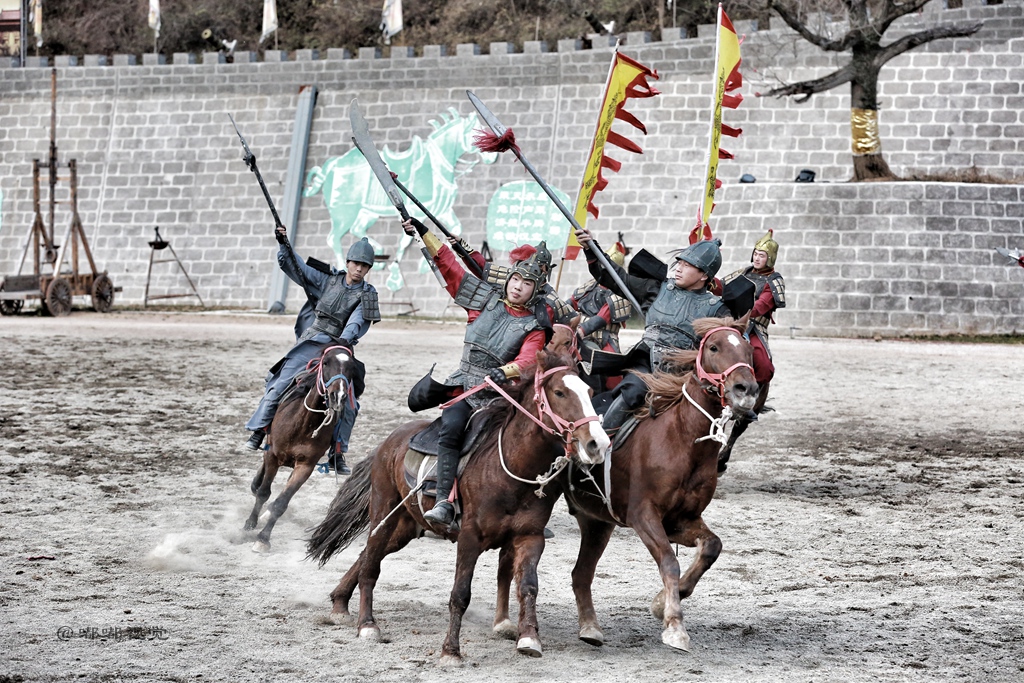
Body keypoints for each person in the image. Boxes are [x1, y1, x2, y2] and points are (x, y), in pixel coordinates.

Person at [405, 217, 550, 527]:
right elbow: (450, 267)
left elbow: (528, 359)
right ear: (508, 279)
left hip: (499, 394)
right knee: (453, 427)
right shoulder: (482, 302)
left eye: (526, 284)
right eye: (515, 280)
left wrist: (505, 370)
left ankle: (527, 506)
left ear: (535, 290)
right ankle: (444, 499)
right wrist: (423, 232)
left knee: (532, 437)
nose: (518, 287)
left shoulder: (534, 326)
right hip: (464, 387)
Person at [244, 226, 380, 476]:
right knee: (281, 381)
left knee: (348, 400)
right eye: (357, 263)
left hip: (340, 346)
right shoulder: (328, 279)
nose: (360, 269)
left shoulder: (368, 295)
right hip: (313, 340)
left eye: (365, 266)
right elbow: (299, 270)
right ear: (348, 262)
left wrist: (342, 342)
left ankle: (337, 451)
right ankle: (261, 428)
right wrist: (284, 243)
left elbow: (357, 322)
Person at [574, 227, 730, 432]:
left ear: (704, 275)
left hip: (684, 372)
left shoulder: (716, 309)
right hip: (645, 363)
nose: (679, 269)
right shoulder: (656, 288)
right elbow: (615, 276)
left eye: (688, 265)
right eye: (679, 263)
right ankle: (602, 447)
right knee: (631, 392)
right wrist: (590, 248)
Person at [450, 236, 576, 326]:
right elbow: (482, 267)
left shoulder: (551, 300)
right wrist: (460, 245)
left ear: (545, 270)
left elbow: (572, 320)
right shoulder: (511, 279)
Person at [720, 230, 785, 386]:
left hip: (753, 327)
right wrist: (708, 280)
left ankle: (753, 395)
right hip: (730, 321)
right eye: (755, 254)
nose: (757, 258)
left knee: (763, 365)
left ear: (770, 259)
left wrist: (740, 307)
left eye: (761, 255)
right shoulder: (744, 272)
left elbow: (759, 307)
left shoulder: (773, 281)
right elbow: (723, 288)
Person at [570, 243, 632, 391]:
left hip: (604, 336)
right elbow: (571, 302)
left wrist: (581, 331)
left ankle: (612, 397)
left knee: (612, 372)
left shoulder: (620, 292)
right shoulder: (591, 285)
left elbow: (602, 318)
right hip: (577, 331)